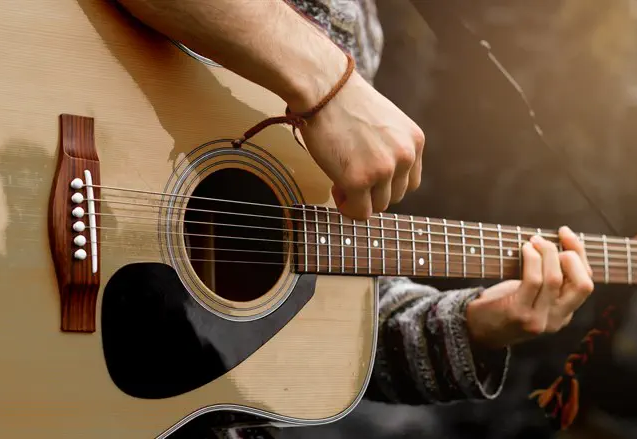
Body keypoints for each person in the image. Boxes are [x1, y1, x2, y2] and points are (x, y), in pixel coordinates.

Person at [115, 1, 596, 438]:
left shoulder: (364, 19)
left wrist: (473, 325)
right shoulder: (340, 70)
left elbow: (323, 292)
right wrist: (328, 83)